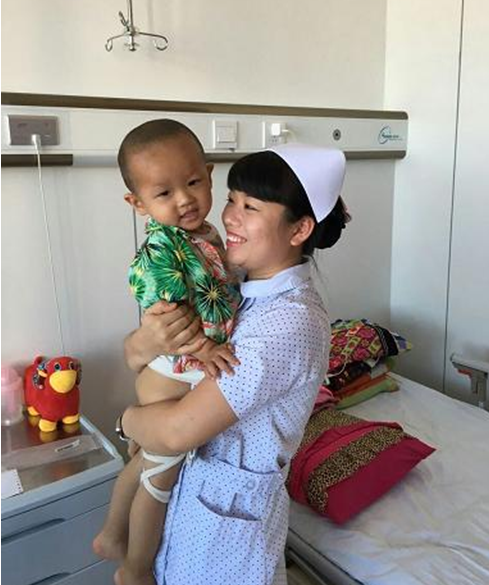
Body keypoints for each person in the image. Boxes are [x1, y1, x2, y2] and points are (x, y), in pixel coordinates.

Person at [119, 143, 350, 585]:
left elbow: (176, 431)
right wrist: (146, 340)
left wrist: (127, 421)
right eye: (231, 199)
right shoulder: (229, 282)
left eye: (251, 207)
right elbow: (137, 356)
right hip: (187, 508)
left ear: (300, 228)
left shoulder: (290, 323)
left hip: (226, 545)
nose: (229, 217)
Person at [93, 119, 241, 585]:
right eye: (164, 193)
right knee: (159, 481)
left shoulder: (204, 234)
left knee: (146, 461)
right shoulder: (162, 248)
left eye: (193, 182)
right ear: (137, 204)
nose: (184, 199)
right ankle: (135, 568)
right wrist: (204, 347)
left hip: (177, 371)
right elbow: (169, 317)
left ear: (210, 174)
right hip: (172, 372)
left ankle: (111, 535)